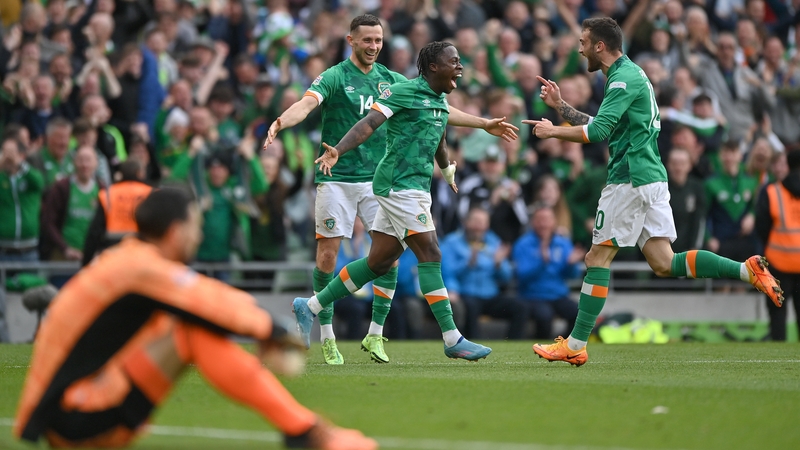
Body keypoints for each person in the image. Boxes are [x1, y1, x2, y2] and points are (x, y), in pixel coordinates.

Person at [13, 188, 377, 450]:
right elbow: (208, 300)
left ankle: (305, 431)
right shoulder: (141, 268)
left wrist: (262, 328)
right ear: (175, 231)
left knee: (180, 324)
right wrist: (272, 329)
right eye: (195, 225)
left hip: (66, 412)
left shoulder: (131, 261)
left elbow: (205, 296)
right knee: (189, 330)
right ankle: (307, 433)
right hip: (74, 416)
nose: (200, 234)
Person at [522, 17, 783, 366]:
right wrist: (561, 107)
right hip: (651, 178)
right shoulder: (629, 75)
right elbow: (608, 128)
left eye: (583, 41)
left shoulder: (622, 80)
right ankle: (745, 270)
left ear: (600, 46)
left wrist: (553, 132)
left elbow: (597, 134)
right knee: (664, 262)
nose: (579, 47)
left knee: (596, 259)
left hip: (629, 180)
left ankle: (575, 343)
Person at [264, 15, 517, 364]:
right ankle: (451, 336)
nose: (373, 46)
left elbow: (440, 119)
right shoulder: (355, 80)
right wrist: (302, 131)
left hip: (386, 181)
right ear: (351, 41)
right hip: (375, 181)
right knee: (429, 252)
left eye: (378, 40)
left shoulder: (408, 87)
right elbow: (353, 119)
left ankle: (318, 309)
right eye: (366, 40)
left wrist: (474, 134)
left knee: (381, 260)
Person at [441, 207, 526, 340]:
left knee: (520, 307)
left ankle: (511, 345)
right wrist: (467, 264)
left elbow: (507, 277)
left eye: (482, 223)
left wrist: (499, 265)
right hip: (465, 294)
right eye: (475, 221)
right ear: (466, 223)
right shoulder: (451, 242)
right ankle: (474, 345)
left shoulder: (494, 242)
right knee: (470, 307)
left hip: (490, 296)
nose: (478, 227)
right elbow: (447, 272)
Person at [513, 205, 582, 340]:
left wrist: (571, 265)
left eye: (547, 219)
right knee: (544, 316)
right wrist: (541, 262)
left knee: (579, 314)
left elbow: (573, 276)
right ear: (533, 222)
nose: (544, 224)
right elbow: (521, 276)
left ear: (554, 222)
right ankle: (540, 348)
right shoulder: (523, 244)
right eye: (540, 220)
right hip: (533, 296)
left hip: (558, 295)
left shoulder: (562, 243)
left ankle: (565, 346)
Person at [756, 150, 800, 341]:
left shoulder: (772, 192)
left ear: (788, 166)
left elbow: (762, 227)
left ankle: (778, 358)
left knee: (777, 316)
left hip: (777, 263)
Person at [82, 159, 152, 266]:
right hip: (143, 256)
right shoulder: (151, 194)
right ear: (140, 173)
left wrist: (86, 263)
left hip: (113, 255)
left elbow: (94, 232)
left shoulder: (109, 194)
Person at [39, 146, 100, 262]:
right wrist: (65, 249)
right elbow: (48, 222)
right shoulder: (62, 188)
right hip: (63, 257)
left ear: (96, 163)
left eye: (88, 160)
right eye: (81, 160)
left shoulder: (101, 189)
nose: (84, 165)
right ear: (74, 162)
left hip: (93, 258)